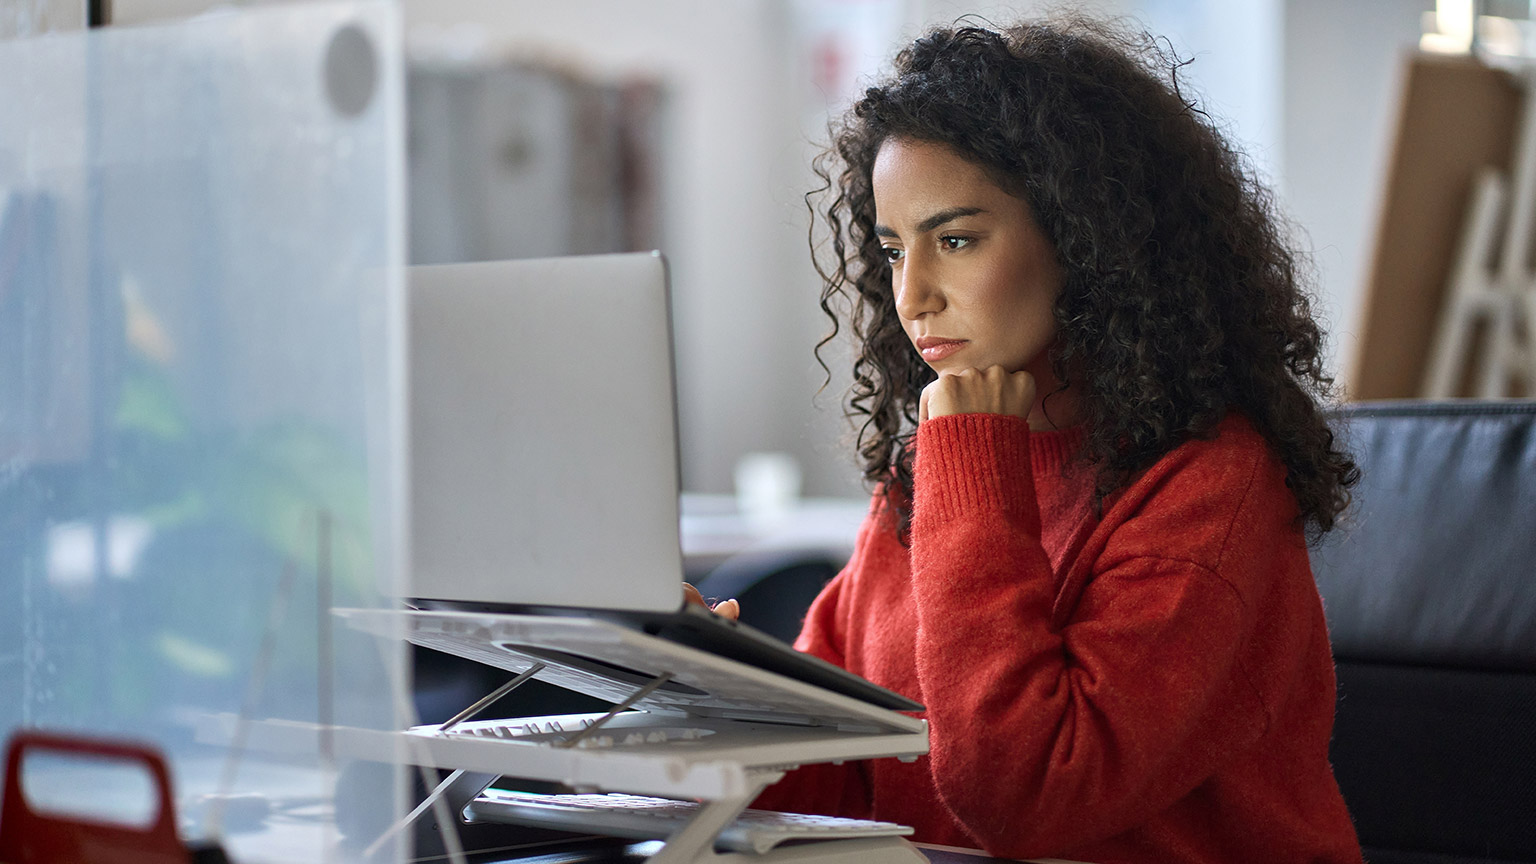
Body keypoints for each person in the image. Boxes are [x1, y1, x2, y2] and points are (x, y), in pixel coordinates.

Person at [712, 16, 1364, 864]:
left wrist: (973, 460)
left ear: (1086, 239)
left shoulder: (1214, 485)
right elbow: (845, 784)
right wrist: (704, 702)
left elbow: (1027, 794)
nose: (911, 295)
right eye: (891, 248)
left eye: (954, 240)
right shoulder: (927, 477)